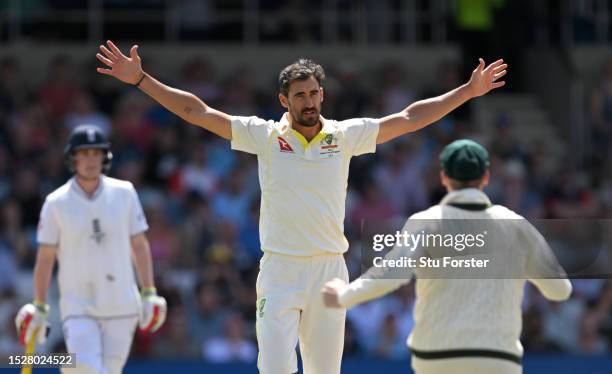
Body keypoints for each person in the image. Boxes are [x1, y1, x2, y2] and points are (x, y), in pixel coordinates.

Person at [94, 40, 507, 374]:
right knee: (274, 368)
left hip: (330, 269)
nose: (309, 102)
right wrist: (142, 80)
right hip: (280, 271)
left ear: (322, 94)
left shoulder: (344, 136)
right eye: (300, 95)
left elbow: (410, 117)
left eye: (314, 93)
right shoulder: (266, 137)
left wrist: (469, 91)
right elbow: (198, 112)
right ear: (284, 99)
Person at [322, 139, 573, 374]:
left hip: (436, 358)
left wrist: (344, 295)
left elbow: (390, 275)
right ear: (486, 177)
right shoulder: (517, 226)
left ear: (444, 178)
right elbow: (559, 291)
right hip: (498, 359)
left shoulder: (426, 222)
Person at [15, 125, 167, 374]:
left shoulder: (124, 193)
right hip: (78, 304)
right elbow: (45, 258)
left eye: (95, 153)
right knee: (84, 368)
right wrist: (40, 305)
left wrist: (149, 291)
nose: (90, 160)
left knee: (109, 370)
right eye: (83, 153)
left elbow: (139, 244)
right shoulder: (56, 202)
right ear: (72, 158)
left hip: (122, 303)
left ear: (104, 157)